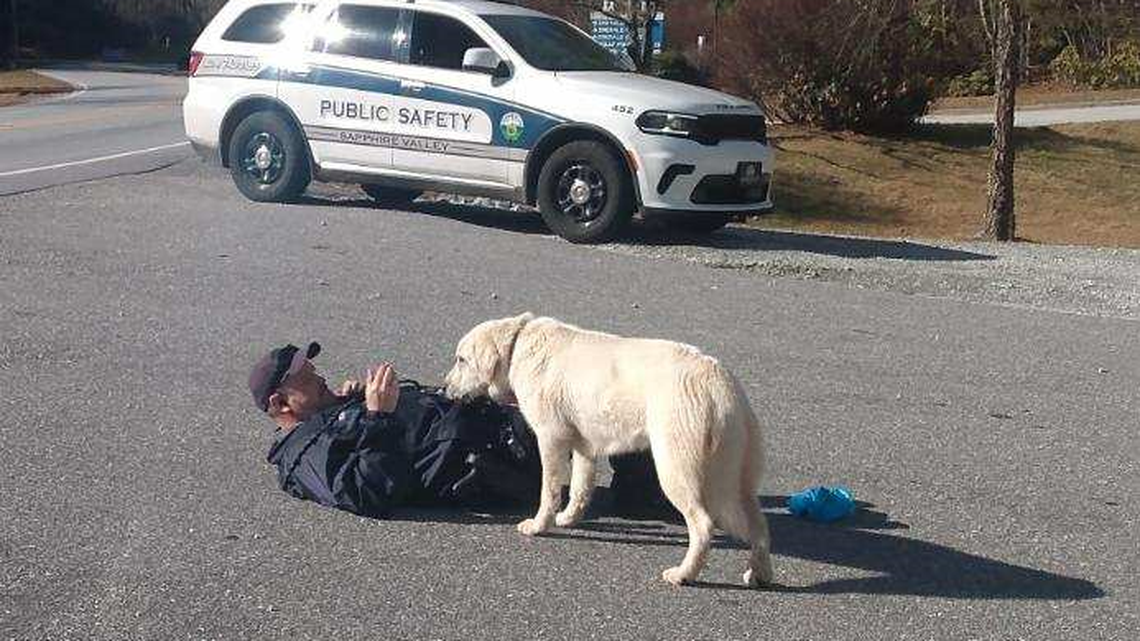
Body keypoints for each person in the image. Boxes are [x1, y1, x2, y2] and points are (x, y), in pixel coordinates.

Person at [249, 342, 662, 520]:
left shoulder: (325, 416)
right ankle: (655, 494)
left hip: (489, 426)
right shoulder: (302, 456)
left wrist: (351, 403)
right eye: (307, 377)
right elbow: (367, 493)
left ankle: (657, 487)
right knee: (607, 402)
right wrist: (376, 416)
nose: (319, 376)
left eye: (314, 368)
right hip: (494, 457)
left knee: (612, 389)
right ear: (281, 404)